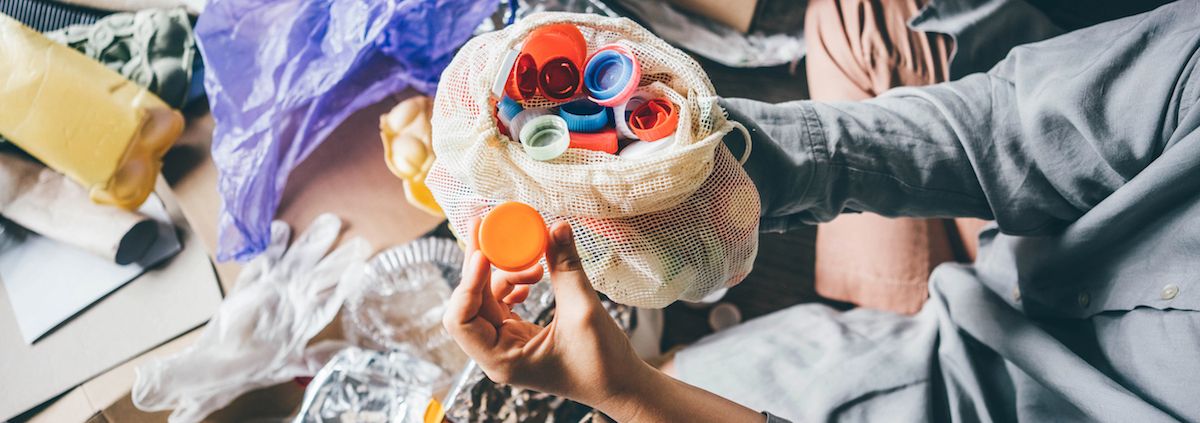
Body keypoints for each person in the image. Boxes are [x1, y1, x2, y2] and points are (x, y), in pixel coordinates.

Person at [444, 1, 1200, 421]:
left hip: (980, 397)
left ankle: (863, 291)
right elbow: (1000, 131)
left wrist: (633, 393)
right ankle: (881, 285)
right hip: (1008, 277)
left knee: (664, 377)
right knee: (855, 19)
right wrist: (702, 170)